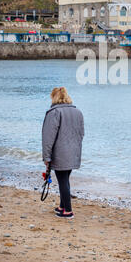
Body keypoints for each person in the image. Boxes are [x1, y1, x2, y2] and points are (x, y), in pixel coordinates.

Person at [42, 87, 84, 219]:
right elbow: (81, 134)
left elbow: (48, 138)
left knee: (62, 180)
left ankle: (68, 211)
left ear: (54, 97)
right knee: (65, 180)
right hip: (74, 152)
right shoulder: (78, 112)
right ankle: (62, 206)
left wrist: (46, 157)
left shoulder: (54, 112)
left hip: (60, 153)